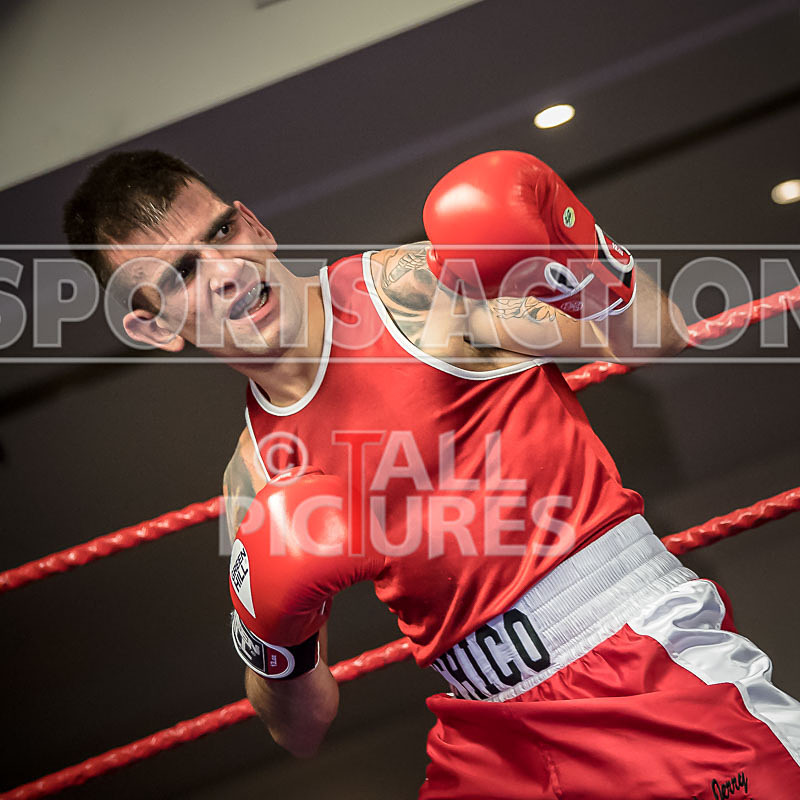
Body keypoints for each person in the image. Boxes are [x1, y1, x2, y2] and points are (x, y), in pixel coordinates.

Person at [63, 150, 800, 799]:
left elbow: (652, 335)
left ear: (254, 225)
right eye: (183, 273)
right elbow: (300, 728)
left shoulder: (418, 295)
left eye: (220, 233)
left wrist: (580, 257)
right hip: (489, 732)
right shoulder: (254, 478)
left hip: (636, 661)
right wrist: (269, 635)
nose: (225, 273)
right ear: (152, 324)